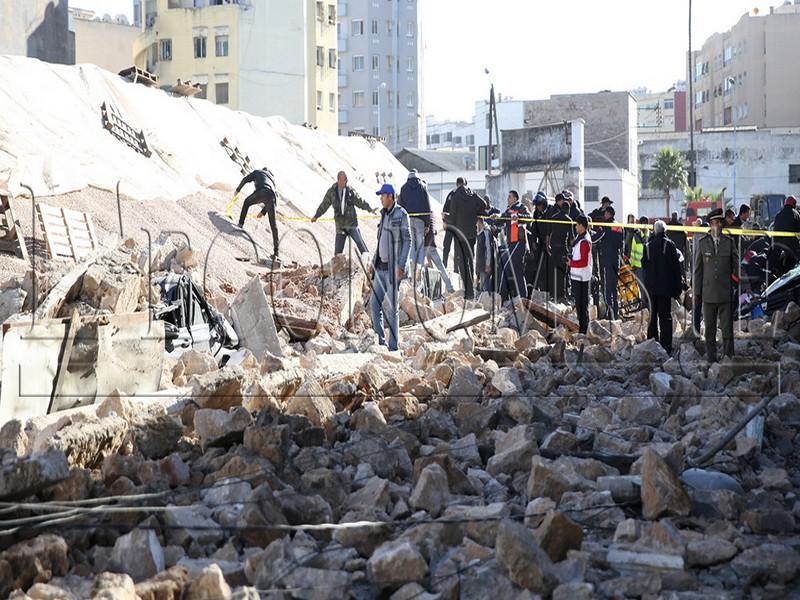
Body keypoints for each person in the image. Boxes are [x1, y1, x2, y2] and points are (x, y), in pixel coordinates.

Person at [369, 183, 411, 351]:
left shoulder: (401, 214)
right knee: (374, 304)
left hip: (394, 269)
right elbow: (380, 242)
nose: (381, 199)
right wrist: (373, 263)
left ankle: (393, 348)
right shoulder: (383, 214)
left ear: (390, 196)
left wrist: (401, 265)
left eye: (383, 196)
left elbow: (408, 241)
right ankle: (380, 343)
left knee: (392, 309)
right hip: (380, 268)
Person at [694, 208, 739, 362]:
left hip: (725, 292)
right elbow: (697, 271)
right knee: (710, 331)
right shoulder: (702, 243)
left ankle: (728, 357)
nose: (717, 226)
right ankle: (711, 359)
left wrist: (735, 283)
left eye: (720, 223)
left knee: (727, 329)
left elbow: (736, 265)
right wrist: (696, 293)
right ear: (710, 225)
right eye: (714, 223)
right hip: (708, 293)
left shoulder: (729, 243)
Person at [312, 171, 377, 255]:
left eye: (345, 180)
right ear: (338, 180)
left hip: (352, 224)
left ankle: (368, 263)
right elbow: (324, 205)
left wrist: (370, 209)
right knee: (338, 252)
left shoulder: (350, 191)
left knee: (360, 244)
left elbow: (360, 202)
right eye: (342, 180)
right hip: (340, 226)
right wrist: (316, 216)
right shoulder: (332, 192)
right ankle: (339, 266)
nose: (344, 182)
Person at [643, 220, 682, 355]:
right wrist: (678, 288)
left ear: (654, 231)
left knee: (653, 316)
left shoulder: (647, 246)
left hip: (651, 288)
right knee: (665, 317)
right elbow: (676, 269)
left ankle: (652, 345)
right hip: (665, 289)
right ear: (665, 231)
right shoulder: (670, 245)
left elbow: (644, 267)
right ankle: (666, 346)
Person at [447, 178, 488, 299]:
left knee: (462, 263)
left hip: (460, 235)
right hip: (471, 234)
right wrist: (474, 212)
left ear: (457, 184)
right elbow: (484, 205)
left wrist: (446, 218)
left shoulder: (454, 197)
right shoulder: (472, 194)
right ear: (465, 184)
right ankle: (472, 289)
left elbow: (452, 218)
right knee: (470, 260)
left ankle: (469, 292)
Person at [234, 167, 280, 259]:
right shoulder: (272, 180)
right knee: (273, 225)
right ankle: (276, 252)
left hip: (261, 192)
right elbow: (276, 197)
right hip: (272, 197)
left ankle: (240, 224)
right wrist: (263, 212)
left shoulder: (257, 172)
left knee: (247, 202)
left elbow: (245, 180)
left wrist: (238, 190)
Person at [500, 190, 531, 298]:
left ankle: (501, 296)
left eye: (509, 197)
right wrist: (495, 217)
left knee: (506, 267)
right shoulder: (508, 210)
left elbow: (529, 218)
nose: (507, 199)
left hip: (518, 243)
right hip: (511, 244)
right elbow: (501, 218)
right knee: (518, 272)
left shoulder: (520, 207)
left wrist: (519, 217)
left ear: (515, 198)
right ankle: (523, 297)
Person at [399, 170, 432, 272]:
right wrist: (427, 223)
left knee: (411, 245)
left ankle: (412, 270)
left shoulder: (404, 188)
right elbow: (427, 205)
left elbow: (400, 205)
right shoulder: (423, 187)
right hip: (420, 221)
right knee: (420, 246)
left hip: (408, 220)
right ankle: (420, 269)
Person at [595, 205, 624, 320]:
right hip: (615, 259)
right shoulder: (618, 226)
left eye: (605, 213)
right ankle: (615, 313)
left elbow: (596, 238)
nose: (604, 215)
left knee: (607, 288)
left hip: (607, 259)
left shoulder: (607, 226)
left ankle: (609, 313)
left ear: (610, 214)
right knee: (614, 287)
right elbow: (621, 243)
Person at [545, 193, 574, 302]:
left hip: (553, 249)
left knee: (553, 272)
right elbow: (571, 239)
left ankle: (553, 295)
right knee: (563, 274)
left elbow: (548, 234)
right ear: (568, 210)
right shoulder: (569, 220)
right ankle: (562, 296)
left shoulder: (553, 217)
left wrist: (548, 246)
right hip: (563, 249)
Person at [569, 215, 593, 334]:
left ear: (582, 226)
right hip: (578, 275)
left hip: (582, 277)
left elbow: (583, 262)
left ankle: (584, 331)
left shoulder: (584, 241)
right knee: (580, 306)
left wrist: (571, 263)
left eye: (577, 224)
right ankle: (582, 329)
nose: (575, 226)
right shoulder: (580, 238)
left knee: (582, 306)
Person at [422, 222, 455, 295]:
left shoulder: (423, 218)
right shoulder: (432, 220)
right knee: (441, 267)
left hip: (423, 247)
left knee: (419, 268)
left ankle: (420, 288)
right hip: (432, 246)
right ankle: (450, 287)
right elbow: (434, 232)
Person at [771, 195, 800, 276]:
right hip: (792, 248)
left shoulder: (778, 215)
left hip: (778, 248)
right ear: (794, 204)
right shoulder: (795, 214)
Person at [528, 192, 550, 293]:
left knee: (547, 269)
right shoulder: (536, 213)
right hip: (540, 244)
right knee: (538, 267)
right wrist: (533, 242)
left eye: (540, 205)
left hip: (550, 244)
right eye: (537, 205)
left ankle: (547, 290)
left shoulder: (550, 211)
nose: (538, 207)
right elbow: (534, 229)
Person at [475, 213, 496, 293]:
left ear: (479, 222)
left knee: (485, 288)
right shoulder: (479, 233)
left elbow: (488, 249)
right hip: (480, 265)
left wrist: (488, 264)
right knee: (482, 288)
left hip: (485, 265)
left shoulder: (486, 233)